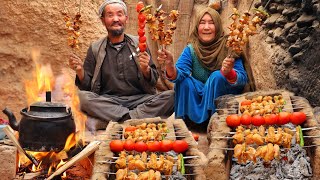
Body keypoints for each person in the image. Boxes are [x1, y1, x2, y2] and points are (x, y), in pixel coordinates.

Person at [69, 0, 174, 130]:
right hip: (109, 102)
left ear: (126, 19)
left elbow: (153, 81)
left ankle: (119, 120)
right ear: (103, 20)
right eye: (110, 15)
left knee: (172, 96)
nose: (116, 19)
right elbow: (87, 86)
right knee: (81, 97)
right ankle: (133, 119)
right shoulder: (95, 48)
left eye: (119, 14)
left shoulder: (139, 44)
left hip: (139, 100)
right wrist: (80, 71)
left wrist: (146, 69)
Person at [157, 7, 255, 126]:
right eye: (202, 23)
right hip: (201, 95)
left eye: (211, 23)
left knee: (217, 76)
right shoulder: (192, 49)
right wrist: (170, 65)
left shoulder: (231, 46)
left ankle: (216, 123)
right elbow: (178, 74)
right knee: (183, 82)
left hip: (223, 101)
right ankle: (183, 123)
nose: (206, 27)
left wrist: (229, 72)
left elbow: (242, 80)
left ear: (218, 26)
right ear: (197, 27)